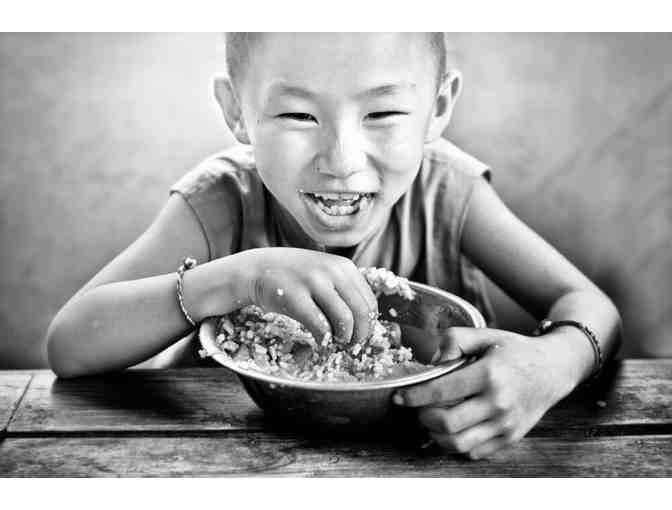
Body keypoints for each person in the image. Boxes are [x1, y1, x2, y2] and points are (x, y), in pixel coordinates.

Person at [46, 33, 621, 459]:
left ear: (439, 107)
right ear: (236, 111)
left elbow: (591, 307)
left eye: (383, 113)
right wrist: (235, 278)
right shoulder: (222, 202)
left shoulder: (448, 194)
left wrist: (554, 364)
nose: (342, 161)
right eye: (298, 114)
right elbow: (70, 345)